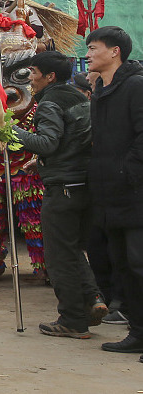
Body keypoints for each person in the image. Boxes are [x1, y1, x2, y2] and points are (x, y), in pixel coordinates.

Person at [13, 52, 104, 337]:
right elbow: (72, 141)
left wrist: (9, 131)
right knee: (72, 248)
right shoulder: (78, 98)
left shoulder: (50, 102)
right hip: (83, 183)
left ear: (50, 76)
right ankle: (93, 300)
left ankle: (72, 320)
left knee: (58, 256)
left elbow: (48, 143)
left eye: (34, 73)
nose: (31, 80)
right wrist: (39, 163)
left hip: (63, 188)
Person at [84, 25, 143, 360]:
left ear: (114, 51)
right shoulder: (102, 90)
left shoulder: (135, 86)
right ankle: (138, 333)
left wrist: (126, 172)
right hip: (110, 197)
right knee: (123, 267)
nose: (88, 54)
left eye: (94, 48)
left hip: (134, 193)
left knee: (140, 264)